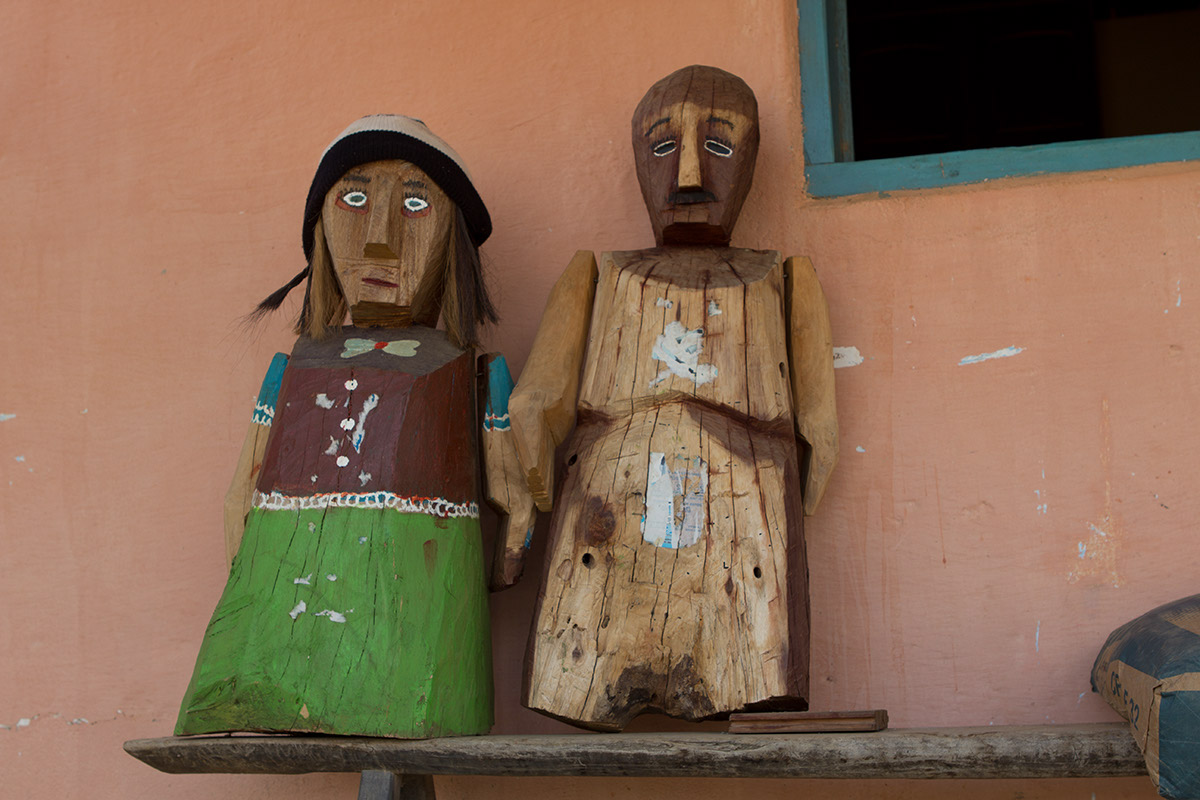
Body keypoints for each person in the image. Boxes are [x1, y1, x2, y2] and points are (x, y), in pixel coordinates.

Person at [510, 67, 839, 730]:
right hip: (606, 526)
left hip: (740, 536)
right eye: (663, 147)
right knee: (593, 645)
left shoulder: (785, 278)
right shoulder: (594, 273)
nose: (690, 175)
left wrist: (772, 507)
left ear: (749, 162)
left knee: (742, 657)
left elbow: (821, 434)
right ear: (637, 161)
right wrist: (540, 494)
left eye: (719, 147)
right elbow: (534, 402)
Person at [175, 115, 524, 738]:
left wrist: (473, 578)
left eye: (415, 204)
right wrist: (495, 570)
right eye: (355, 200)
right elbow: (239, 500)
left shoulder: (475, 374)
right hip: (285, 622)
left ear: (455, 246)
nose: (380, 242)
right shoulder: (290, 369)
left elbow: (513, 507)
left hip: (412, 643)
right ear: (319, 232)